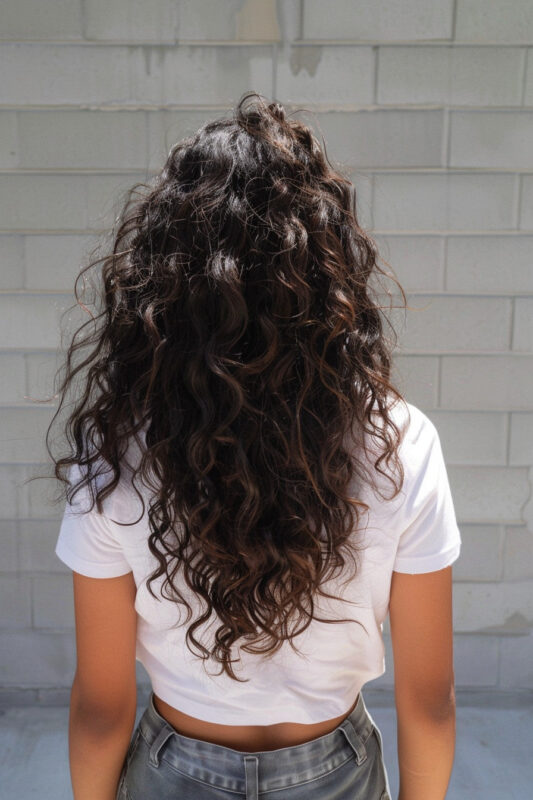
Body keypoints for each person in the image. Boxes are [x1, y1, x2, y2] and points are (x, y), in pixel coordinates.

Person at [50, 92, 461, 800]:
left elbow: (100, 707)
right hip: (335, 770)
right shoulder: (400, 445)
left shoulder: (117, 455)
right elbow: (428, 702)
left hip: (174, 771)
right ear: (333, 273)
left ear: (166, 285)